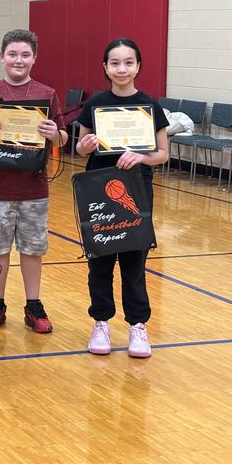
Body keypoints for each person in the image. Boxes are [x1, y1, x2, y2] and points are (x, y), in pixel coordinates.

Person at [75, 38, 168, 358]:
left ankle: (137, 327)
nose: (122, 69)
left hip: (136, 190)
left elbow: (162, 154)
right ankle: (101, 322)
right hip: (98, 189)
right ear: (105, 67)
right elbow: (80, 146)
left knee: (133, 262)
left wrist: (141, 157)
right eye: (115, 63)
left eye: (128, 62)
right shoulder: (95, 104)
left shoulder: (151, 106)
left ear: (138, 66)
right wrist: (85, 146)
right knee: (100, 261)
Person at [0, 29, 67, 334]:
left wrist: (55, 135)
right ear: (2, 57)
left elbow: (64, 136)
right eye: (12, 54)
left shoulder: (47, 93)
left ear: (34, 58)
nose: (19, 60)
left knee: (32, 249)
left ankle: (33, 304)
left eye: (25, 54)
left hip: (34, 188)